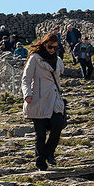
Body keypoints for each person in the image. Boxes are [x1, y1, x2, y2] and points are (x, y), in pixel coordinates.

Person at [22, 32, 66, 171]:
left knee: (58, 125)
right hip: (38, 100)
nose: (52, 49)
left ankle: (47, 153)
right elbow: (26, 79)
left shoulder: (58, 60)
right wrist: (27, 94)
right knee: (40, 135)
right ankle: (41, 164)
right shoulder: (35, 58)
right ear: (44, 44)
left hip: (54, 99)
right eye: (50, 46)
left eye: (55, 47)